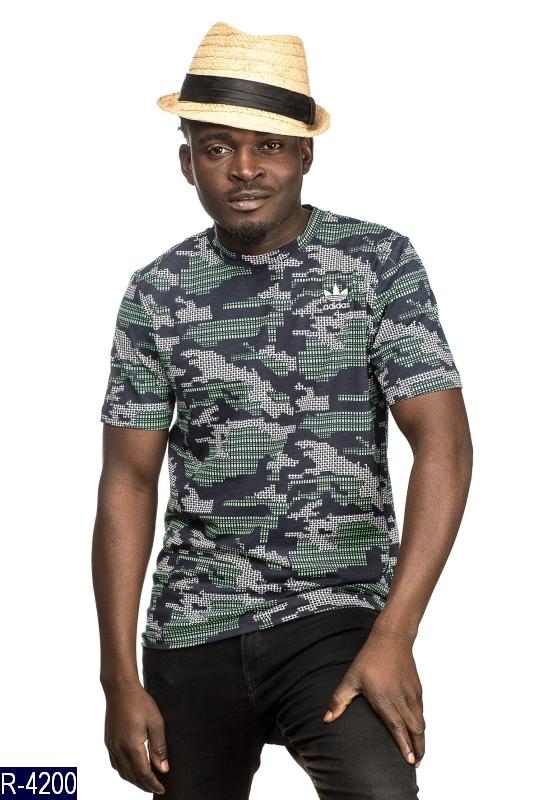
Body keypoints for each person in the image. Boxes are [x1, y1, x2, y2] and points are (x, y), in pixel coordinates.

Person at [92, 20, 473, 800]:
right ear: (186, 162)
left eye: (268, 145)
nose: (243, 169)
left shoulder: (376, 263)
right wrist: (117, 680)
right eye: (216, 147)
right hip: (193, 623)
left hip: (336, 620)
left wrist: (394, 633)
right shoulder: (157, 292)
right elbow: (127, 480)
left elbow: (443, 446)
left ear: (304, 154)